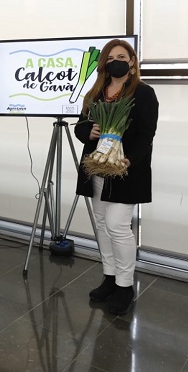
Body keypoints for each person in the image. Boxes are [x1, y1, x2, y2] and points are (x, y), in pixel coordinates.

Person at [74, 39, 158, 315]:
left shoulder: (143, 93)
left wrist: (129, 160)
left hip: (125, 170)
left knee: (117, 225)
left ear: (132, 62)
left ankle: (125, 286)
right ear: (104, 64)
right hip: (98, 167)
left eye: (121, 57)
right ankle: (109, 277)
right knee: (101, 224)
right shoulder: (95, 93)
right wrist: (89, 132)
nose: (116, 62)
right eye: (110, 59)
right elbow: (80, 127)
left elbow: (147, 134)